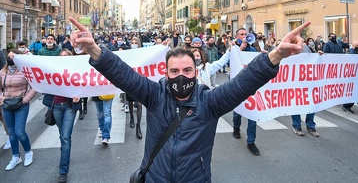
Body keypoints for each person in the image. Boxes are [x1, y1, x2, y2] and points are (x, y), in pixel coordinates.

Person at [69, 17, 309, 182]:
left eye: (187, 71)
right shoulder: (153, 96)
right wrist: (94, 50)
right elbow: (123, 74)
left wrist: (276, 54)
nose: (180, 77)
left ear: (196, 72)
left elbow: (243, 83)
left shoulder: (210, 102)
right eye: (174, 72)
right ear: (166, 74)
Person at [0, 49, 37, 171]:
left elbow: (35, 86)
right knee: (11, 132)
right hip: (6, 104)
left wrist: (26, 99)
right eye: (8, 56)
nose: (10, 58)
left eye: (12, 56)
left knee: (20, 131)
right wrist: (2, 99)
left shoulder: (25, 71)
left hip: (21, 104)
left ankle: (28, 152)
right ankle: (15, 156)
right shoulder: (2, 72)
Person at [53, 49, 81, 183]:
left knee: (65, 137)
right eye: (61, 56)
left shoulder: (75, 71)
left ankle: (63, 171)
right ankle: (65, 153)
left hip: (69, 106)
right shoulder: (52, 70)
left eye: (66, 56)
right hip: (56, 106)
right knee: (62, 135)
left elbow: (83, 86)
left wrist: (79, 97)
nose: (63, 57)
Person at [232, 28, 259, 155]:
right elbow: (228, 62)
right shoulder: (233, 47)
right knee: (238, 110)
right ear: (237, 36)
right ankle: (236, 127)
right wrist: (240, 49)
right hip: (236, 85)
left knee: (252, 114)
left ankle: (251, 142)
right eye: (241, 35)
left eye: (245, 34)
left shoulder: (253, 50)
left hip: (250, 84)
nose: (244, 36)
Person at [291, 38, 323, 137]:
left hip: (309, 81)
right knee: (296, 104)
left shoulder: (306, 48)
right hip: (295, 82)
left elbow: (315, 57)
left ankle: (310, 125)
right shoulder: (288, 49)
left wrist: (320, 55)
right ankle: (296, 125)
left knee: (312, 102)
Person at [126, 37, 143, 139]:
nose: (134, 44)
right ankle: (132, 116)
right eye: (132, 43)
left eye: (136, 42)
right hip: (129, 81)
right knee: (130, 101)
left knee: (140, 104)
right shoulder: (127, 54)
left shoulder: (142, 53)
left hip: (140, 82)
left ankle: (138, 126)